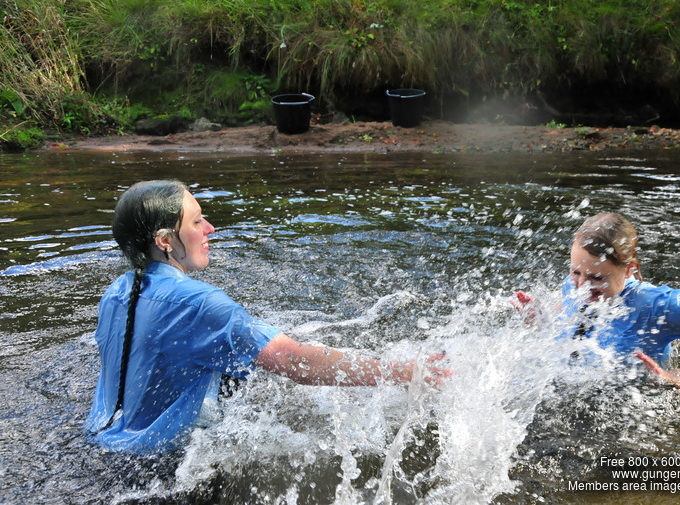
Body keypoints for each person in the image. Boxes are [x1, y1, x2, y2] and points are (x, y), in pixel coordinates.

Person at [86, 180, 448, 454]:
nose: (210, 229)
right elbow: (294, 360)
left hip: (103, 439)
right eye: (197, 222)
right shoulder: (199, 304)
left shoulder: (116, 292)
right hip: (160, 464)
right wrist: (405, 371)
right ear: (165, 240)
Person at [514, 212, 680, 387]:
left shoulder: (657, 304)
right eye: (576, 272)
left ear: (629, 270)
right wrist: (540, 325)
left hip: (642, 398)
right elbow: (568, 336)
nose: (582, 286)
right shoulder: (573, 285)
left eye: (596, 277)